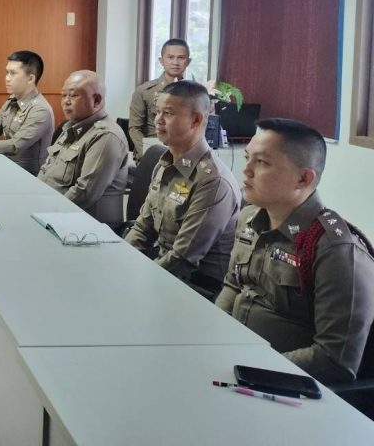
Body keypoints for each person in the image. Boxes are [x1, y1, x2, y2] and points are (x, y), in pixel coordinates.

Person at [216, 118, 374, 383]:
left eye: (262, 162)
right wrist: (213, 334)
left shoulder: (335, 250)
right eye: (247, 158)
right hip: (233, 358)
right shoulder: (249, 219)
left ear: (303, 178)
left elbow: (335, 360)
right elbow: (233, 285)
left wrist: (251, 367)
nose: (246, 171)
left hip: (280, 383)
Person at [124, 80, 240, 293]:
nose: (158, 120)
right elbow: (143, 228)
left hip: (196, 286)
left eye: (168, 113)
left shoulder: (213, 181)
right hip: (161, 269)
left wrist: (135, 281)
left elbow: (183, 259)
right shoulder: (165, 162)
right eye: (157, 112)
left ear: (196, 120)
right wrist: (122, 261)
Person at [37, 70, 128, 227]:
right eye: (63, 96)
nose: (66, 102)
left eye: (73, 96)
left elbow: (84, 193)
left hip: (85, 226)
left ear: (96, 101)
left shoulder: (106, 137)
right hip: (56, 213)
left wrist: (44, 212)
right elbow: (46, 171)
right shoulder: (71, 127)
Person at [128, 38, 191, 159]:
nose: (175, 62)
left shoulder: (194, 93)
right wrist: (147, 154)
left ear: (188, 61)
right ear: (161, 61)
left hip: (184, 153)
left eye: (181, 58)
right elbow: (134, 129)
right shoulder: (144, 91)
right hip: (153, 150)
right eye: (170, 57)